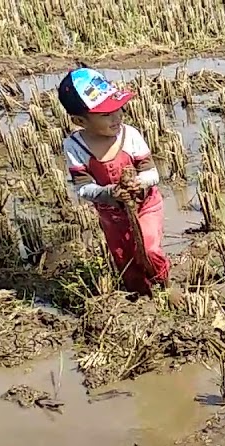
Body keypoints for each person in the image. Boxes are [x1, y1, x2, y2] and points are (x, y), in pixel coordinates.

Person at [59, 67, 169, 297]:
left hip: (146, 205)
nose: (117, 117)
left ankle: (165, 286)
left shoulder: (130, 135)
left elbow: (152, 173)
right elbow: (82, 188)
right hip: (112, 214)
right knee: (124, 259)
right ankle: (140, 297)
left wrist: (139, 182)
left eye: (118, 109)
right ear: (80, 120)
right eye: (106, 114)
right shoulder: (75, 147)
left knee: (149, 250)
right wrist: (110, 193)